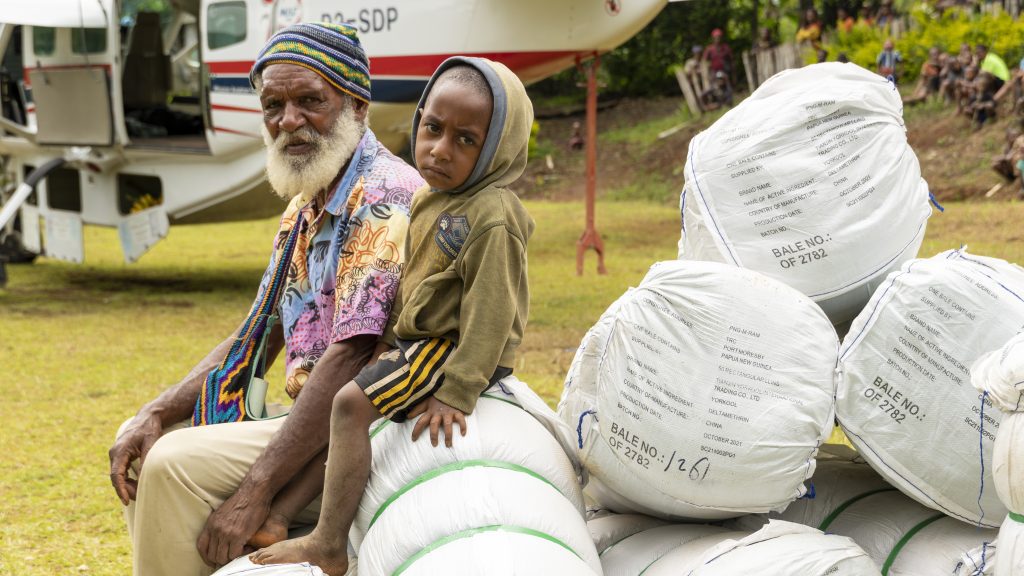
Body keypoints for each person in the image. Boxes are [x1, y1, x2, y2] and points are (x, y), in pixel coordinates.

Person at [107, 22, 423, 575]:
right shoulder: (308, 203)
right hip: (314, 420)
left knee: (171, 463)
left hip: (362, 432)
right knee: (142, 438)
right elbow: (259, 330)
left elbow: (351, 355)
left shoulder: (383, 196)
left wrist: (257, 490)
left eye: (310, 101)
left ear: (357, 105)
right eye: (273, 105)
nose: (289, 120)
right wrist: (156, 410)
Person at [248, 56, 535, 575]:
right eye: (433, 129)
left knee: (349, 406)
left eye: (466, 140)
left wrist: (457, 390)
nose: (440, 150)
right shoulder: (431, 198)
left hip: (451, 348)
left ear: (497, 148)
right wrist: (387, 341)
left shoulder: (492, 214)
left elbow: (493, 311)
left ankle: (327, 542)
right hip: (418, 340)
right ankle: (282, 516)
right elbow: (416, 280)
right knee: (344, 404)